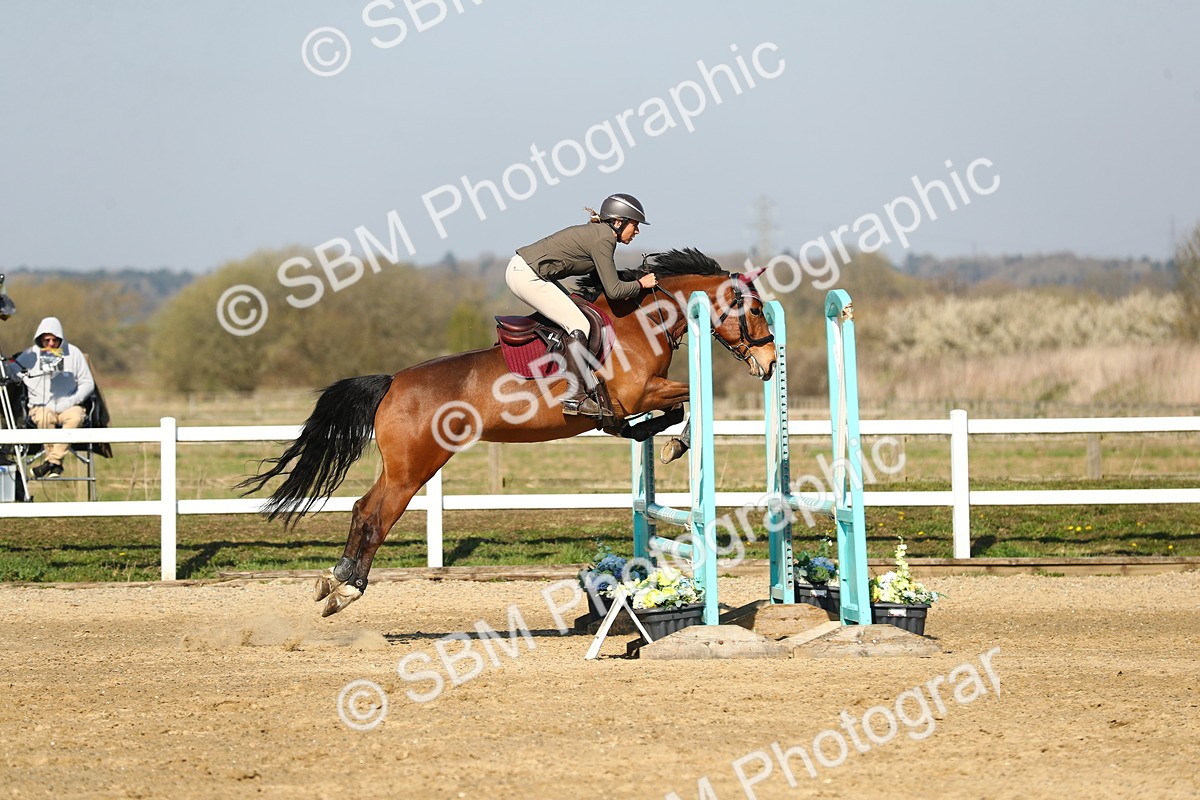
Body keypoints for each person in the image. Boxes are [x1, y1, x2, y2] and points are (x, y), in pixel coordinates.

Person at [507, 193, 659, 418]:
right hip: (527, 276)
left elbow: (603, 280)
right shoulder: (604, 238)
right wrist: (640, 284)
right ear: (618, 222)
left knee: (577, 310)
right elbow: (614, 291)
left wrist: (633, 281)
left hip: (528, 272)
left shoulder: (601, 235)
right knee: (579, 323)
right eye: (634, 225)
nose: (637, 231)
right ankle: (575, 396)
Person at [4, 317, 94, 477]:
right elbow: (12, 373)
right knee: (45, 418)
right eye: (47, 340)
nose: (51, 344)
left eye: (54, 340)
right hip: (41, 406)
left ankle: (52, 462)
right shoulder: (29, 355)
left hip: (69, 405)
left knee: (75, 417)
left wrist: (72, 400)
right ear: (40, 339)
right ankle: (55, 464)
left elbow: (88, 383)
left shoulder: (74, 353)